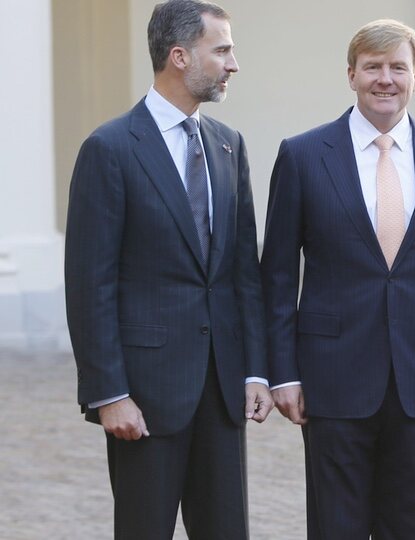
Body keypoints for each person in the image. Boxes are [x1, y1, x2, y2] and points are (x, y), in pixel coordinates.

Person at [260, 19, 415, 540]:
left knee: (412, 527)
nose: (384, 79)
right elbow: (275, 276)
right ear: (351, 75)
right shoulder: (302, 155)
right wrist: (282, 373)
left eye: (398, 68)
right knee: (335, 526)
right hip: (331, 376)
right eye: (372, 67)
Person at [63, 0, 272, 538]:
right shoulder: (109, 149)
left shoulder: (230, 146)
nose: (233, 64)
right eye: (222, 49)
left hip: (222, 391)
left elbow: (243, 271)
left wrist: (253, 370)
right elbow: (91, 284)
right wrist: (109, 394)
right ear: (178, 56)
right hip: (145, 395)